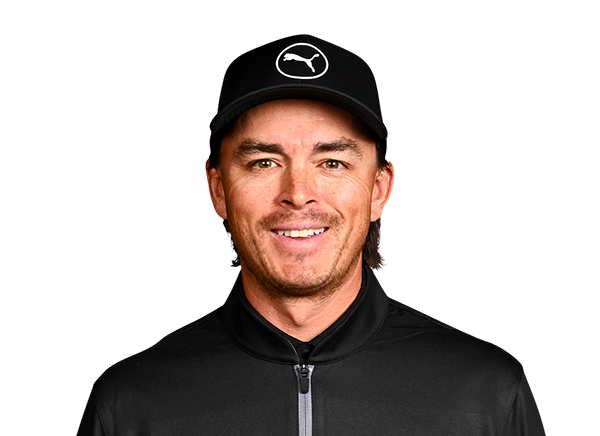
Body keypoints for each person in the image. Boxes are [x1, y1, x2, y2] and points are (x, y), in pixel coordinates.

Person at [78, 35, 545, 435]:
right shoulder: (131, 406)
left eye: (332, 163)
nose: (298, 194)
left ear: (378, 189)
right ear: (219, 190)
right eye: (264, 162)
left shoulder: (486, 394)